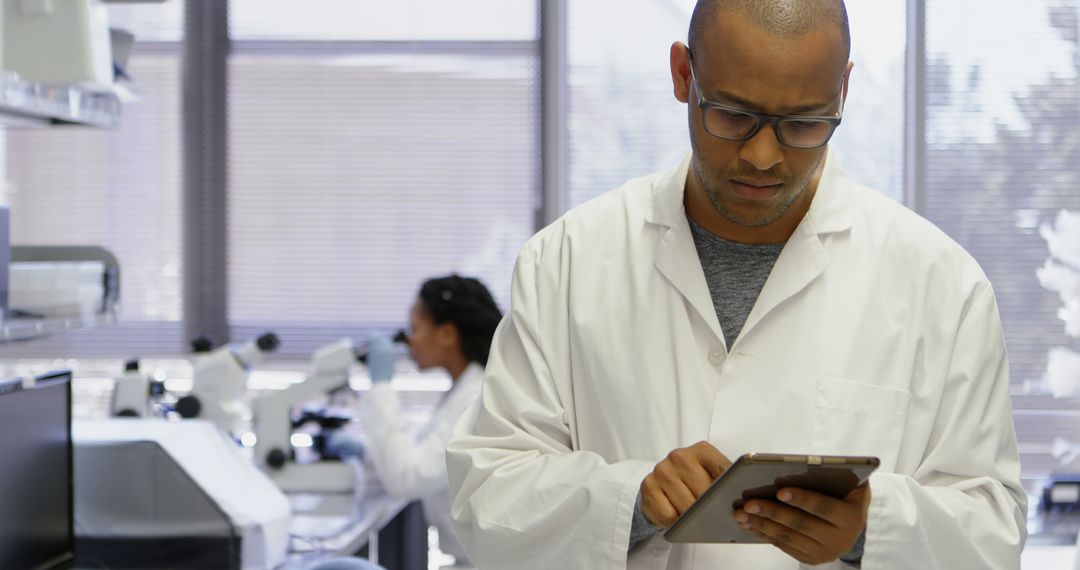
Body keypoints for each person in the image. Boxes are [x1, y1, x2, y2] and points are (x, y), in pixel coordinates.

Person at [444, 1, 1026, 569]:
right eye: (732, 114)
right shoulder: (567, 261)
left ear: (843, 90)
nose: (763, 155)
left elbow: (993, 532)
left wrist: (869, 529)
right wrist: (633, 503)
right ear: (682, 74)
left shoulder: (942, 286)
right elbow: (488, 495)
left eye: (804, 123)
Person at [354, 275, 501, 568]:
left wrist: (381, 386)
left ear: (447, 333)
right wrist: (364, 453)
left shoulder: (476, 397)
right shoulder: (466, 389)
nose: (409, 342)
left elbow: (408, 476)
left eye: (415, 329)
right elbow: (423, 453)